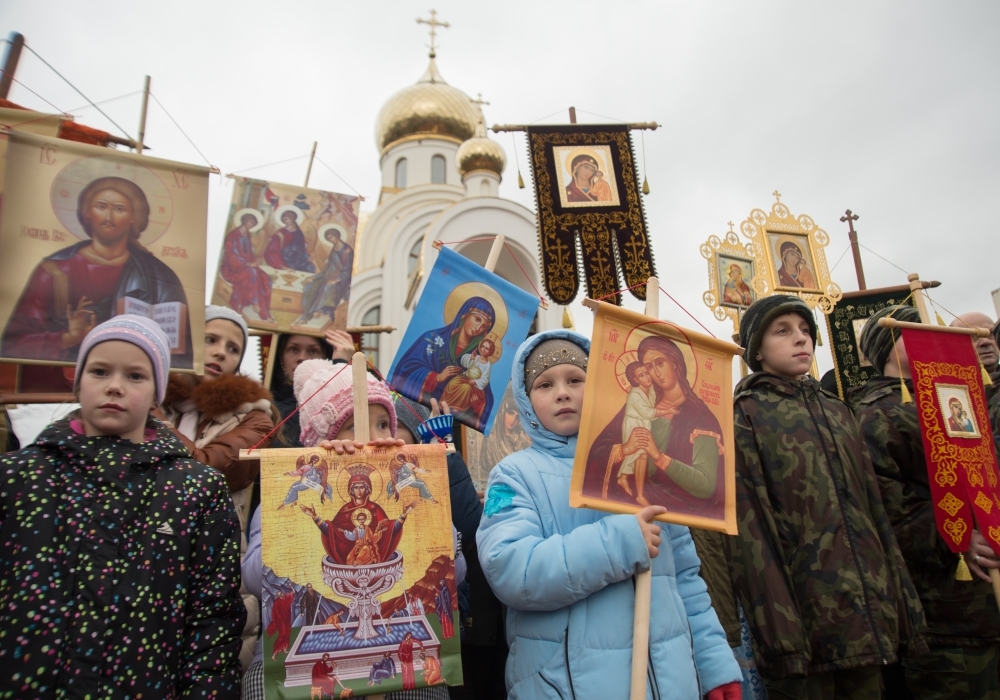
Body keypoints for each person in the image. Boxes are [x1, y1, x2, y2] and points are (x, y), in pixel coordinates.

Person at [477, 329, 742, 700]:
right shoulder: (515, 474)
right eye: (544, 385)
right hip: (569, 685)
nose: (562, 392)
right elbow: (510, 568)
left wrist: (715, 665)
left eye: (575, 379)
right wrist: (618, 543)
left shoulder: (646, 464)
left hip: (670, 682)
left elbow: (685, 578)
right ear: (524, 400)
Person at [0, 315, 244, 698]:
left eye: (135, 376)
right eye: (99, 371)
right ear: (78, 380)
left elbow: (212, 623)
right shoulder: (18, 478)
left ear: (157, 393)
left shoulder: (195, 489)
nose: (114, 386)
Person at [727, 296, 927, 699]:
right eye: (782, 330)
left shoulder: (838, 411)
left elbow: (874, 514)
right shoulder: (744, 414)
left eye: (805, 330)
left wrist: (900, 604)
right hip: (802, 625)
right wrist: (780, 633)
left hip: (864, 616)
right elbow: (752, 535)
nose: (800, 339)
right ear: (757, 350)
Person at [854, 304, 1000, 699]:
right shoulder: (876, 415)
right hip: (942, 610)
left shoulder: (956, 399)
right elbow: (886, 505)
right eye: (907, 331)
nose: (923, 336)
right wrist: (957, 537)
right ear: (886, 348)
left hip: (988, 600)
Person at [241, 358, 405, 698]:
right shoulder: (291, 492)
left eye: (383, 424)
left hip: (396, 655)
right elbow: (257, 577)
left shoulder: (399, 488)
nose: (372, 438)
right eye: (354, 426)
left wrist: (406, 499)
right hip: (293, 660)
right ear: (323, 440)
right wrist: (315, 513)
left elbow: (456, 568)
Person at [159, 305, 277, 670]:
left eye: (232, 348)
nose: (219, 352)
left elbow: (208, 469)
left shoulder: (256, 418)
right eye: (210, 339)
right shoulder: (157, 403)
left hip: (214, 567)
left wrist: (152, 424)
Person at [1, 175, 193, 366]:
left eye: (119, 209)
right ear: (87, 213)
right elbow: (13, 344)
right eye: (101, 206)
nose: (108, 217)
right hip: (51, 386)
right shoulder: (53, 271)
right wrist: (68, 337)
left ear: (134, 218)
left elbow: (176, 354)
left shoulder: (158, 277)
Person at [583, 335, 725, 517]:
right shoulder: (640, 404)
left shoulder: (701, 419)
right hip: (630, 518)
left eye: (660, 363)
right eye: (648, 367)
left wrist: (658, 456)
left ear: (675, 362)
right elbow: (596, 453)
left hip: (686, 521)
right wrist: (625, 449)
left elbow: (706, 485)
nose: (655, 373)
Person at [390, 296, 497, 429]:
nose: (478, 327)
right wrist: (437, 377)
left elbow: (486, 394)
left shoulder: (478, 358)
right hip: (419, 420)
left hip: (455, 428)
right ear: (464, 315)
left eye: (484, 327)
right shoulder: (432, 339)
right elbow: (405, 370)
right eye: (477, 319)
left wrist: (477, 396)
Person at [269, 330, 354, 446]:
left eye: (313, 351)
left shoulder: (342, 403)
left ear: (325, 358)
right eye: (293, 349)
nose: (302, 358)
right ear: (280, 357)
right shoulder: (264, 407)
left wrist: (340, 365)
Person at [616, 360, 671, 499]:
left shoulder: (650, 390)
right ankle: (639, 495)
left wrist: (666, 412)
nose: (647, 377)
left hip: (644, 424)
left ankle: (624, 478)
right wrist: (667, 411)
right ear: (635, 379)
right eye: (641, 375)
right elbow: (647, 412)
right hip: (634, 425)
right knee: (640, 454)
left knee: (639, 456)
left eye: (647, 373)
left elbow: (650, 413)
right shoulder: (635, 394)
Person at [220, 211, 276, 323]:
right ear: (244, 221)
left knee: (266, 278)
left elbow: (248, 253)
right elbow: (231, 256)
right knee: (252, 273)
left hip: (244, 266)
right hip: (231, 269)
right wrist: (247, 264)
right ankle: (260, 308)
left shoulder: (247, 234)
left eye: (254, 223)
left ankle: (261, 306)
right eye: (250, 222)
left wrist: (255, 259)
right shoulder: (232, 236)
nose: (252, 225)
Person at [296, 227, 355, 325]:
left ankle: (318, 310)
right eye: (328, 239)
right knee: (309, 287)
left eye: (331, 237)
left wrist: (336, 280)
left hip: (341, 280)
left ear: (336, 236)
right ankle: (306, 316)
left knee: (328, 287)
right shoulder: (334, 249)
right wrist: (314, 277)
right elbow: (327, 268)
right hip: (327, 276)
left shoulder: (348, 251)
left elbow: (348, 271)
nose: (330, 240)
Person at [440, 337, 496, 420]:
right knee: (453, 383)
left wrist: (474, 382)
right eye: (483, 346)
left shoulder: (488, 365)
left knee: (466, 388)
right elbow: (464, 362)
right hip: (465, 377)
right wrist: (471, 358)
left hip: (475, 386)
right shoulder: (475, 357)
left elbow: (485, 380)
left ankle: (457, 407)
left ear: (490, 351)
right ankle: (445, 403)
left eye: (487, 348)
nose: (483, 349)